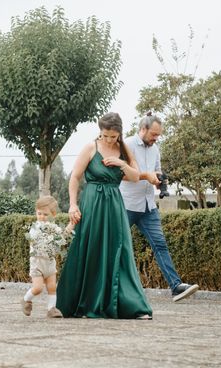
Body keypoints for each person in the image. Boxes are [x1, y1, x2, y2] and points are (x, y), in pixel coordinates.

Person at [57, 112, 153, 319]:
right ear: (100, 132)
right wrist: (73, 205)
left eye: (113, 136)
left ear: (119, 133)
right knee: (90, 248)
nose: (109, 139)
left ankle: (132, 306)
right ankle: (85, 303)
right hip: (92, 202)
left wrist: (121, 164)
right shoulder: (91, 147)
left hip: (114, 204)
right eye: (105, 135)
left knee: (119, 250)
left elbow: (136, 177)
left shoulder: (124, 150)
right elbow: (74, 177)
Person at [120, 113, 199, 302]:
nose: (156, 138)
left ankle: (176, 286)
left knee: (160, 244)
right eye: (153, 134)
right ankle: (112, 288)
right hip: (127, 204)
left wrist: (159, 181)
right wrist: (145, 175)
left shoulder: (155, 148)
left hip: (148, 205)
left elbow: (156, 171)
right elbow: (118, 174)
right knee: (119, 247)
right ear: (143, 129)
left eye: (158, 135)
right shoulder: (127, 144)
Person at [22, 196, 73, 318]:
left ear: (53, 214)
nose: (41, 217)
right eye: (39, 213)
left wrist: (71, 224)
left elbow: (63, 236)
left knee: (52, 287)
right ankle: (26, 300)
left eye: (45, 214)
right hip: (38, 263)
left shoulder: (54, 227)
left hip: (49, 263)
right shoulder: (34, 228)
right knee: (38, 288)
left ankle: (51, 309)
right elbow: (35, 241)